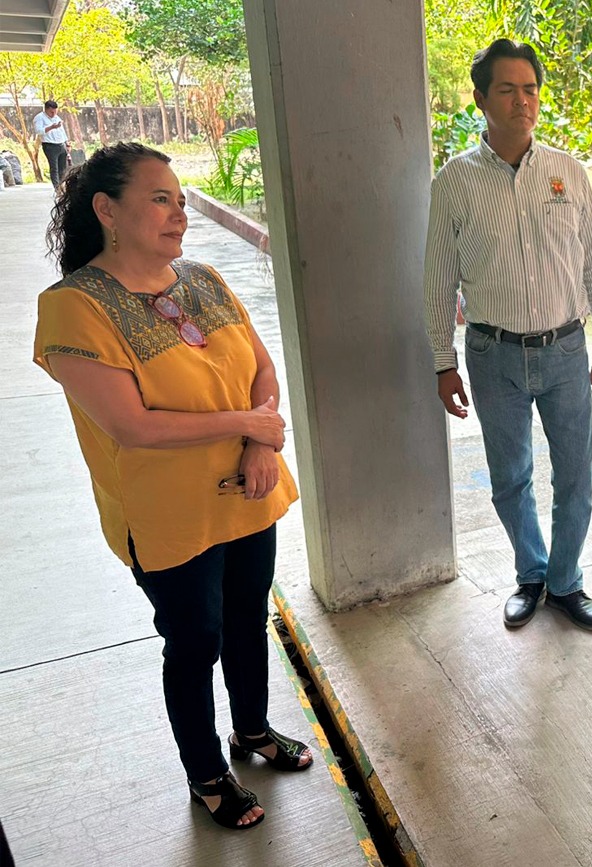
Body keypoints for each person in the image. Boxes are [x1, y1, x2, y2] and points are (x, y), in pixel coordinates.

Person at [34, 142, 313, 831]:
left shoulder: (204, 278)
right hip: (168, 514)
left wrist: (257, 440)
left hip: (250, 486)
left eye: (181, 200)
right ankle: (207, 773)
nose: (179, 213)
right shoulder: (74, 308)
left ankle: (251, 730)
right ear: (107, 210)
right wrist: (252, 422)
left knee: (250, 618)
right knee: (195, 640)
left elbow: (262, 368)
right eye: (160, 198)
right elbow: (132, 425)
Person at [425, 39, 592, 632]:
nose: (522, 101)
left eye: (530, 88)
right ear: (482, 99)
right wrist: (442, 361)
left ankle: (565, 581)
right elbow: (437, 278)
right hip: (492, 354)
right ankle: (531, 573)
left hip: (565, 349)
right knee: (510, 476)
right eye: (506, 89)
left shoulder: (568, 172)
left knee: (576, 474)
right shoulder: (454, 181)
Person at [33, 100, 70, 187]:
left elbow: (62, 131)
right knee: (54, 168)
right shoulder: (39, 118)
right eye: (51, 112)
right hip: (50, 145)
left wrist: (67, 143)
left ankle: (63, 185)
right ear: (46, 109)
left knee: (63, 168)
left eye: (55, 112)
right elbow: (39, 131)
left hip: (61, 144)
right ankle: (57, 187)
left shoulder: (57, 118)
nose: (53, 114)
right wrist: (51, 127)